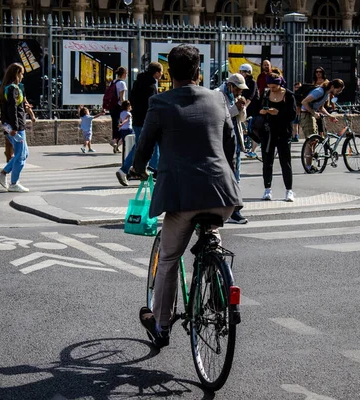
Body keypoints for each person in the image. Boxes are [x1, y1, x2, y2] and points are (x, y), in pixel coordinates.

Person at [132, 44, 242, 348]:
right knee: (212, 234)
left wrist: (137, 170)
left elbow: (143, 148)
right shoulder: (219, 99)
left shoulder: (160, 103)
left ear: (169, 73)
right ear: (199, 72)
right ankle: (219, 287)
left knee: (168, 258)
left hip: (183, 197)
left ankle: (162, 325)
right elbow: (231, 145)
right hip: (223, 193)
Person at [115, 62, 162, 186]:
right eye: (160, 73)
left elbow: (132, 100)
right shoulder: (151, 86)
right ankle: (151, 170)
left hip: (137, 119)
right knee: (153, 144)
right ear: (156, 73)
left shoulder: (138, 82)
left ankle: (130, 170)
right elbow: (152, 105)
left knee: (140, 145)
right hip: (147, 120)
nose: (161, 75)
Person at [216, 73, 248, 224]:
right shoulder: (218, 94)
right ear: (230, 85)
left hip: (235, 139)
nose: (240, 92)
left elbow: (241, 119)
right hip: (223, 142)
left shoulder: (234, 96)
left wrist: (241, 108)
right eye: (238, 89)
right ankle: (232, 211)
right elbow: (222, 116)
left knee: (236, 177)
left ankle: (231, 210)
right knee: (228, 178)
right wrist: (235, 107)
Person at [259, 73, 297, 202]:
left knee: (285, 162)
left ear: (280, 84)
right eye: (269, 86)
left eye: (274, 86)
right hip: (268, 131)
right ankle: (267, 189)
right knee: (267, 161)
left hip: (283, 131)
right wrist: (263, 112)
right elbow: (259, 108)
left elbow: (292, 115)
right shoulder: (265, 94)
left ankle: (289, 190)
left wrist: (278, 113)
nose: (272, 89)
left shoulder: (289, 95)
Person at [0, 63, 30, 193]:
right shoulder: (13, 88)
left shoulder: (6, 87)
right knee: (20, 155)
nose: (22, 76)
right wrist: (15, 127)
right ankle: (14, 183)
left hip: (11, 125)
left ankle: (3, 173)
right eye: (21, 74)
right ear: (16, 74)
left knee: (24, 153)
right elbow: (13, 109)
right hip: (16, 126)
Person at [300, 79, 344, 172]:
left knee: (315, 140)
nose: (338, 93)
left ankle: (311, 163)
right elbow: (304, 102)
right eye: (338, 90)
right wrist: (313, 113)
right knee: (310, 141)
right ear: (332, 87)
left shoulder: (326, 94)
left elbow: (320, 107)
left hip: (312, 115)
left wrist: (329, 116)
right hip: (306, 114)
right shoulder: (319, 91)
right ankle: (308, 166)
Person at [238, 63, 262, 160]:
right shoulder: (243, 82)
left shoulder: (252, 82)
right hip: (246, 108)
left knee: (252, 129)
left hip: (254, 108)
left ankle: (252, 150)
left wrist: (245, 107)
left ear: (248, 72)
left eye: (242, 72)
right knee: (244, 127)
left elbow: (251, 97)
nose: (241, 73)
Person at [108, 66, 128, 153]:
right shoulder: (122, 83)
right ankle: (115, 141)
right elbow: (122, 98)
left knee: (115, 125)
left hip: (112, 106)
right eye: (126, 74)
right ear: (123, 74)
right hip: (119, 107)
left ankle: (115, 144)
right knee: (123, 125)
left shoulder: (112, 82)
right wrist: (126, 107)